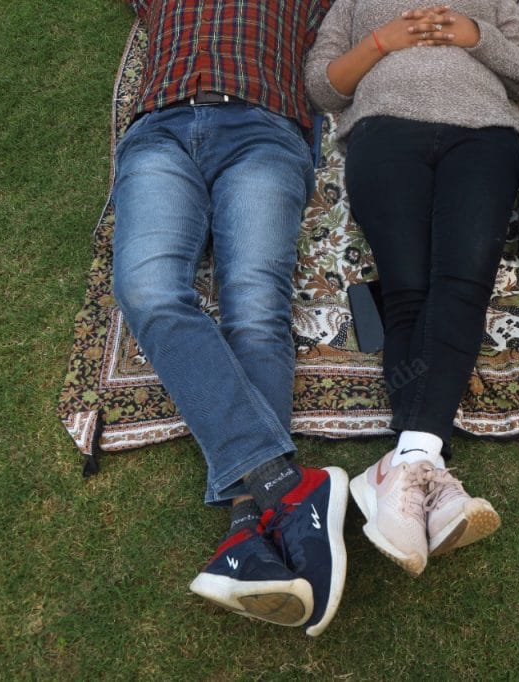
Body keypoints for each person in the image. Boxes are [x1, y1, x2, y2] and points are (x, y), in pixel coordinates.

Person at [111, 0, 346, 636]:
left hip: (264, 131)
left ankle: (249, 527)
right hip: (159, 130)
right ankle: (284, 486)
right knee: (147, 288)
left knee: (254, 307)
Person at [305, 2, 519, 576]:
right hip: (383, 132)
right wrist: (382, 42)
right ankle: (424, 473)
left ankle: (408, 462)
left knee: (463, 280)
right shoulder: (354, 3)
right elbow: (323, 87)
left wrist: (475, 35)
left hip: (485, 137)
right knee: (409, 287)